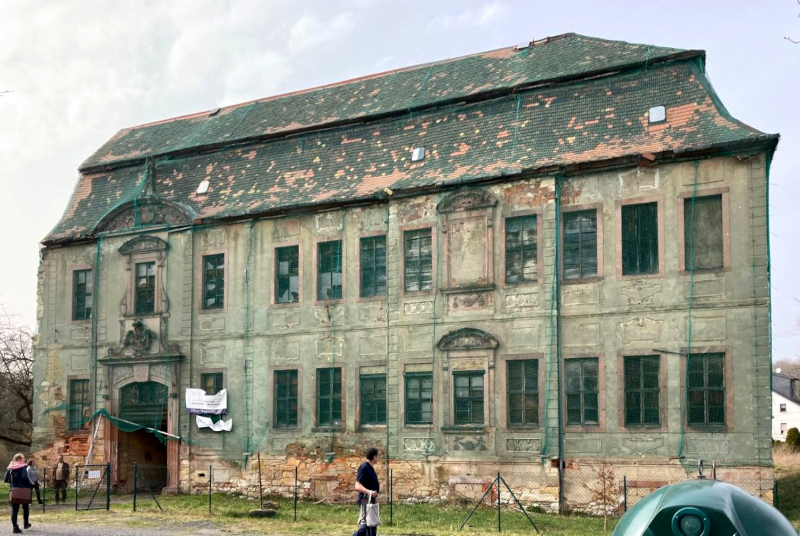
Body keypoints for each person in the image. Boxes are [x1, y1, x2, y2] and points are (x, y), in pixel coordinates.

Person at [353, 447, 380, 536]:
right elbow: (357, 485)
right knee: (368, 525)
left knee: (370, 524)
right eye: (378, 456)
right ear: (374, 457)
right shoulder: (364, 467)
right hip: (365, 500)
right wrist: (369, 492)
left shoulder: (370, 468)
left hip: (370, 500)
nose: (378, 457)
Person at [4, 453, 32, 534]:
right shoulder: (23, 467)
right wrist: (29, 484)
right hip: (23, 490)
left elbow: (6, 480)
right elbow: (24, 477)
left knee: (14, 510)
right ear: (19, 459)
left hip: (14, 490)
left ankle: (15, 527)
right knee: (25, 507)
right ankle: (26, 523)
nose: (24, 460)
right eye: (23, 458)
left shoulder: (11, 468)